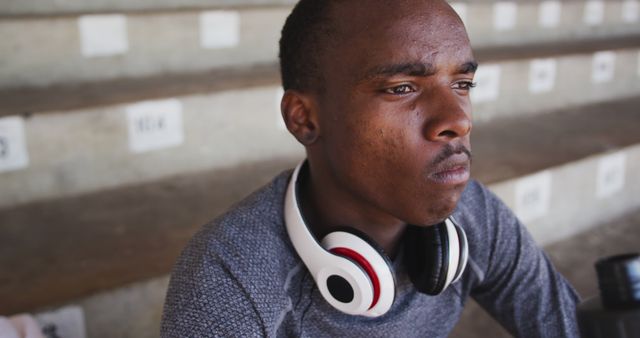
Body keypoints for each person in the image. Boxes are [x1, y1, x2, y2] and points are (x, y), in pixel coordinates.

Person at [161, 0, 580, 336]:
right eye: (401, 88)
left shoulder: (474, 216)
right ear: (304, 119)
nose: (458, 120)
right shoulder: (229, 280)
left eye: (462, 84)